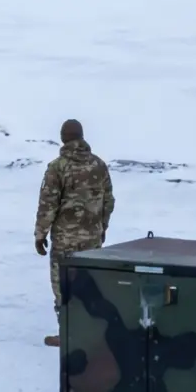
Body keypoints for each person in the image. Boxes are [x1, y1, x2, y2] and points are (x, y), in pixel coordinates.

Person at [34, 118, 115, 346]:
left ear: (63, 138)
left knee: (63, 286)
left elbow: (48, 204)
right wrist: (102, 227)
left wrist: (40, 234)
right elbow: (108, 201)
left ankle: (69, 334)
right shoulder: (99, 165)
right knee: (89, 284)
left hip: (65, 241)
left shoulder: (58, 167)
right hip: (92, 239)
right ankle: (93, 332)